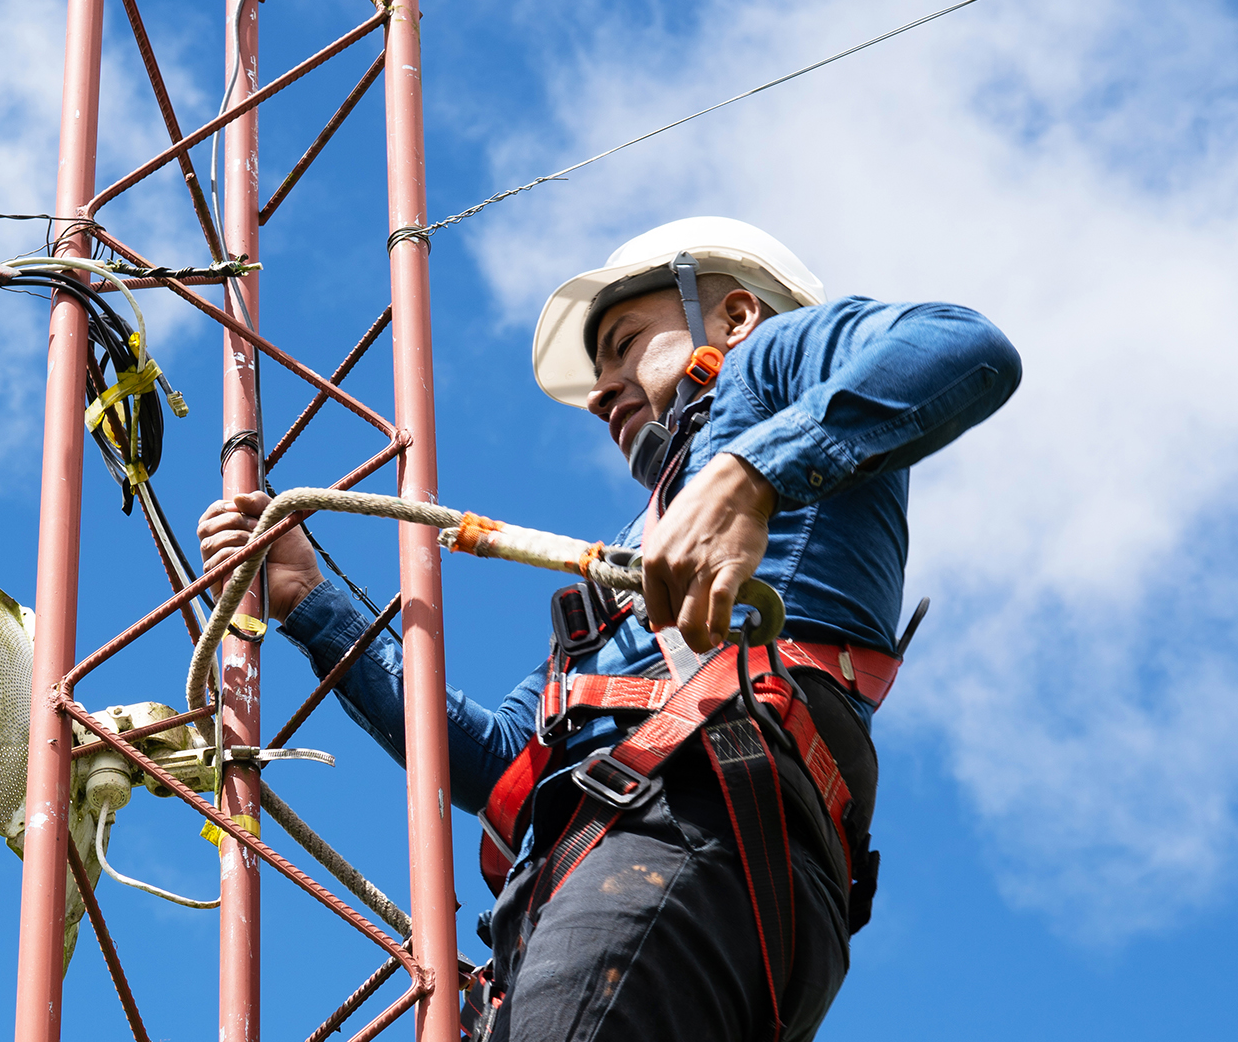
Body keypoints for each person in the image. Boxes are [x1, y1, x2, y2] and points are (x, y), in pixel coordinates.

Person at [197, 217, 1021, 1042]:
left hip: (688, 835)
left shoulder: (771, 368)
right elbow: (498, 763)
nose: (599, 393)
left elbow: (963, 346)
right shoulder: (637, 562)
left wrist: (749, 475)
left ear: (735, 316)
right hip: (624, 877)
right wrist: (309, 599)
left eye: (624, 344)